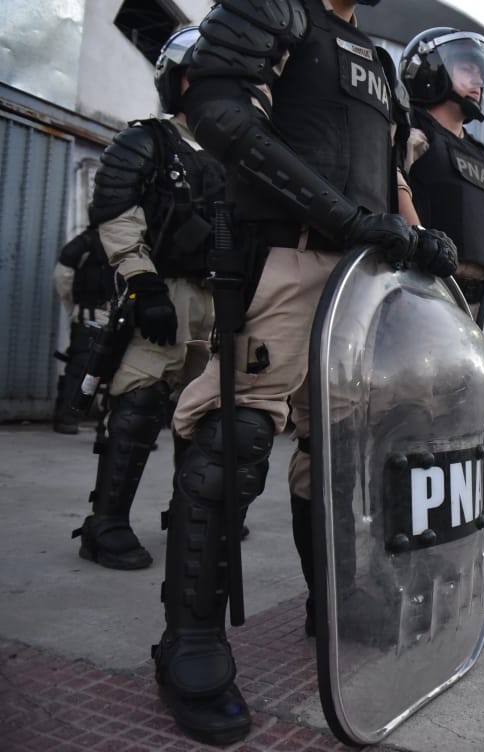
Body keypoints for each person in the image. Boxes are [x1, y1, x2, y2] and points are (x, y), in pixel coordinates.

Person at [157, 0, 459, 744]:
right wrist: (340, 216)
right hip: (286, 257)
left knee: (340, 451)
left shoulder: (377, 61)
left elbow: (389, 176)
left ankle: (335, 601)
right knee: (236, 434)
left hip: (362, 280)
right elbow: (221, 115)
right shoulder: (272, 8)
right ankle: (190, 642)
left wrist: (420, 241)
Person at [70, 27, 223, 571]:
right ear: (181, 81)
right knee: (137, 405)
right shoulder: (147, 142)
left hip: (217, 301)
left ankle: (191, 513)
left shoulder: (238, 156)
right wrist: (142, 283)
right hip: (165, 294)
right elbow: (115, 214)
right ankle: (105, 522)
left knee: (206, 410)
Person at [397, 26, 484, 320]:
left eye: (480, 71)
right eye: (466, 68)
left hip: (477, 309)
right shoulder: (410, 133)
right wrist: (419, 237)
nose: (478, 79)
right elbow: (389, 184)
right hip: (419, 292)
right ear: (430, 69)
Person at [51, 222, 118, 434]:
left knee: (121, 370)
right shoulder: (88, 242)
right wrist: (76, 310)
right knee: (81, 366)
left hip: (117, 316)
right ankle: (67, 418)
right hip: (91, 316)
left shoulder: (133, 241)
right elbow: (62, 276)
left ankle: (111, 424)